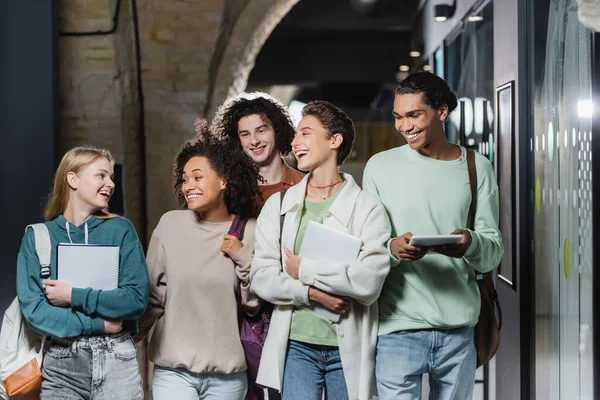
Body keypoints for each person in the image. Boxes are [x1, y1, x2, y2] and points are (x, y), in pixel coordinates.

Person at [362, 72, 504, 400]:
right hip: (397, 327)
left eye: (414, 115)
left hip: (459, 330)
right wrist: (393, 249)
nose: (404, 126)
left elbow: (493, 249)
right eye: (398, 117)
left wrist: (470, 242)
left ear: (441, 111)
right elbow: (366, 250)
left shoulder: (476, 166)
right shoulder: (378, 167)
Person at [250, 101, 391, 400]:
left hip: (348, 347)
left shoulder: (368, 208)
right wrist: (311, 294)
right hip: (296, 345)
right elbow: (261, 277)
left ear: (334, 140)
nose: (295, 142)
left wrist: (304, 270)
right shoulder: (278, 207)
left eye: (306, 133)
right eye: (296, 135)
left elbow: (369, 282)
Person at [135, 121, 261, 400]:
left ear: (224, 180)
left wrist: (241, 255)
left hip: (227, 377)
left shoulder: (249, 231)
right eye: (184, 179)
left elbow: (253, 304)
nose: (188, 185)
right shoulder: (170, 225)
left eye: (197, 177)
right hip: (173, 371)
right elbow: (152, 298)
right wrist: (122, 343)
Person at [16, 146, 149, 400]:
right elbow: (36, 311)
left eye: (111, 177)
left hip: (118, 360)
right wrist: (96, 324)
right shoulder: (37, 237)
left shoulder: (121, 230)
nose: (110, 183)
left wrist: (73, 295)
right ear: (72, 179)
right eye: (101, 175)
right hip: (61, 363)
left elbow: (135, 299)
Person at [212, 92, 305, 217]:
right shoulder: (227, 189)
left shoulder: (305, 186)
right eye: (245, 134)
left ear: (277, 131)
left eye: (261, 131)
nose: (254, 141)